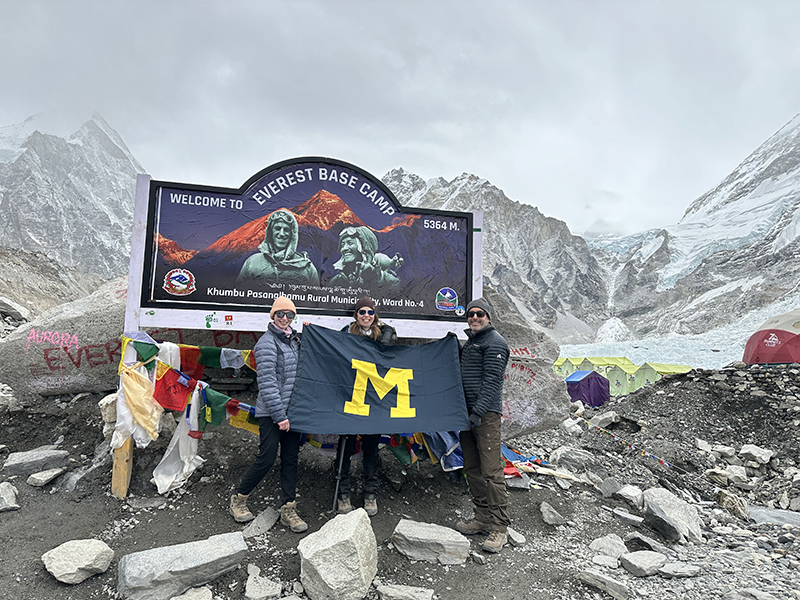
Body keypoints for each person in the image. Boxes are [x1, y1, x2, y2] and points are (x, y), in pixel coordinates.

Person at [229, 296, 308, 533]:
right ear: (272, 316)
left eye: (290, 315)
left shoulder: (293, 340)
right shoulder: (265, 344)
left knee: (291, 459)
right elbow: (267, 383)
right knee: (267, 457)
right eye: (280, 314)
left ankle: (288, 508)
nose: (285, 319)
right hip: (273, 413)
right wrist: (279, 415)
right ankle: (239, 499)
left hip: (292, 411)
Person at [455, 297, 511, 553]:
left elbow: (491, 382)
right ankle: (482, 517)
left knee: (491, 471)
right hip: (467, 415)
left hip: (484, 415)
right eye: (470, 314)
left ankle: (499, 527)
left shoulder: (495, 343)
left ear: (488, 317)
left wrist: (477, 413)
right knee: (472, 467)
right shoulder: (472, 343)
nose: (474, 317)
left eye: (479, 314)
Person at [334, 296, 396, 517]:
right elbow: (331, 354)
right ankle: (343, 494)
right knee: (345, 448)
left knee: (371, 449)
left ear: (375, 315)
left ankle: (370, 493)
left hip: (373, 401)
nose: (366, 316)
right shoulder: (345, 333)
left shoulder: (383, 334)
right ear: (356, 315)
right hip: (350, 399)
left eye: (370, 312)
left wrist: (389, 337)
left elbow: (393, 363)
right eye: (362, 312)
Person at [237, 209, 320, 286]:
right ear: (270, 232)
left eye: (286, 230)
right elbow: (237, 294)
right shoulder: (252, 263)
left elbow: (315, 298)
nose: (281, 234)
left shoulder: (306, 267)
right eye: (277, 228)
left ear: (292, 235)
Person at [328, 226, 402, 292]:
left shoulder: (390, 282)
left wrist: (374, 279)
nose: (344, 249)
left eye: (350, 243)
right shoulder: (336, 282)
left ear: (364, 248)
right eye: (342, 245)